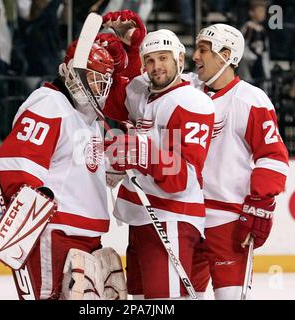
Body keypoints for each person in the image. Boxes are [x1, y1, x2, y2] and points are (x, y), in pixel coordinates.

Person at [0, 37, 127, 300]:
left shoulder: (88, 116)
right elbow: (18, 164)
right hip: (55, 232)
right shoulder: (49, 104)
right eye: (91, 77)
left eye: (101, 80)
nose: (96, 87)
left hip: (86, 235)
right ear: (69, 71)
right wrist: (25, 211)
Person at [103, 10, 215, 299]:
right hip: (142, 216)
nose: (156, 67)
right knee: (142, 302)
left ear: (179, 59)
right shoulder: (144, 91)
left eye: (163, 58)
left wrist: (141, 152)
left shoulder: (192, 102)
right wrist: (126, 51)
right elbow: (115, 104)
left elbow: (184, 177)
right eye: (149, 60)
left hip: (171, 218)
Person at [182, 23, 289, 299]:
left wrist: (260, 200)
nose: (195, 56)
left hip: (227, 221)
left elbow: (273, 156)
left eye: (203, 50)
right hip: (183, 216)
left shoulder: (250, 99)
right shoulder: (186, 89)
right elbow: (150, 82)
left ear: (226, 54)